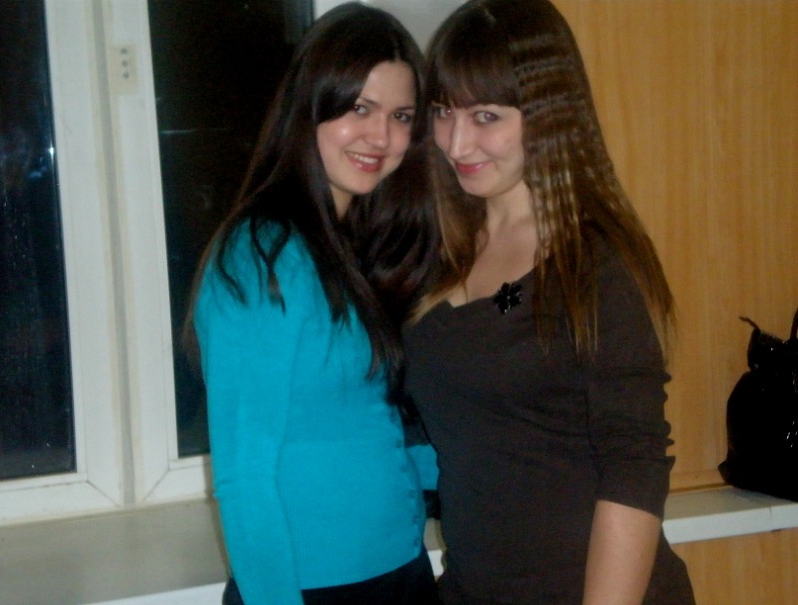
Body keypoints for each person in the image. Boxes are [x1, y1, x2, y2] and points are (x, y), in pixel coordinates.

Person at [403, 1, 696, 604]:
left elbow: (633, 464)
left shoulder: (592, 264)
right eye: (444, 111)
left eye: (486, 116)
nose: (456, 142)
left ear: (546, 115)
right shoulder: (442, 249)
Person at [190, 4, 441, 604]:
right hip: (315, 589)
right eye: (360, 108)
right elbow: (245, 474)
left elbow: (365, 422)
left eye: (401, 116)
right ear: (310, 107)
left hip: (398, 569)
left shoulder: (350, 243)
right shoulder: (263, 253)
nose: (381, 137)